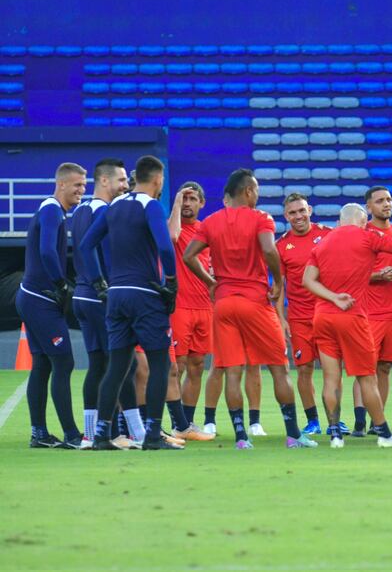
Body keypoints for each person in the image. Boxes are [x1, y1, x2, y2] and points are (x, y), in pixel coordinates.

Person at [183, 168, 316, 449]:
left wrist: (212, 283)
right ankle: (293, 435)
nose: (257, 195)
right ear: (248, 191)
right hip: (254, 300)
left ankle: (242, 438)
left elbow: (188, 255)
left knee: (233, 371)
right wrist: (278, 281)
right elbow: (269, 250)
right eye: (255, 190)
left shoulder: (211, 222)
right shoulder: (260, 218)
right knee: (280, 368)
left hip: (224, 304)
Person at [81, 155, 181, 450]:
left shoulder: (113, 206)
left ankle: (101, 434)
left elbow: (86, 244)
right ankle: (152, 436)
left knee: (117, 367)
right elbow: (165, 245)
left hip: (116, 295)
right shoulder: (150, 205)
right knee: (160, 363)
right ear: (158, 180)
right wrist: (171, 283)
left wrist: (99, 282)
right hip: (145, 295)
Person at [302, 202, 392, 448]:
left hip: (322, 316)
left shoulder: (322, 243)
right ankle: (384, 434)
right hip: (353, 315)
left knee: (331, 378)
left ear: (340, 220)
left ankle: (334, 434)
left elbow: (307, 280)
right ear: (363, 221)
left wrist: (333, 297)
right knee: (367, 377)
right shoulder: (367, 236)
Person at [71, 158, 146, 449]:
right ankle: (136, 432)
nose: (125, 186)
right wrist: (105, 285)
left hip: (81, 295)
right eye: (122, 180)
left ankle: (91, 433)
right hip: (100, 296)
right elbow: (104, 253)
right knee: (125, 365)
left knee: (98, 365)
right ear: (104, 181)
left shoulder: (80, 210)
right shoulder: (105, 212)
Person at [15, 163, 86, 448]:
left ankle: (39, 434)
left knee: (43, 364)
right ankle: (71, 435)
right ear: (61, 185)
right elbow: (46, 250)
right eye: (77, 185)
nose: (82, 190)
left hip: (31, 297)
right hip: (40, 299)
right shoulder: (51, 210)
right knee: (63, 361)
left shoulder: (53, 211)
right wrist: (61, 284)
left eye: (84, 185)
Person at [349, 186, 392, 437]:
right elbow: (351, 273)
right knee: (365, 367)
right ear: (368, 207)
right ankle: (358, 422)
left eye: (388, 200)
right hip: (367, 310)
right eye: (379, 201)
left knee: (384, 367)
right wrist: (378, 275)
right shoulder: (362, 235)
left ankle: (379, 421)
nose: (386, 204)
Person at [275, 193, 336, 435]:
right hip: (300, 318)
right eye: (293, 212)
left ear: (310, 209)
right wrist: (281, 318)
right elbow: (279, 286)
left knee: (332, 369)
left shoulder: (329, 235)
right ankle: (313, 421)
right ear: (285, 216)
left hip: (327, 313)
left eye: (302, 210)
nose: (298, 216)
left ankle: (335, 418)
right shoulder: (281, 246)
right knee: (304, 369)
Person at [167, 182, 217, 439]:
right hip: (179, 306)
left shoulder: (207, 231)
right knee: (179, 365)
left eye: (192, 198)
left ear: (202, 203)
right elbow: (172, 237)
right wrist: (175, 203)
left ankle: (185, 423)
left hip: (204, 306)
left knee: (197, 365)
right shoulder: (172, 225)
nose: (187, 203)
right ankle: (178, 421)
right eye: (183, 198)